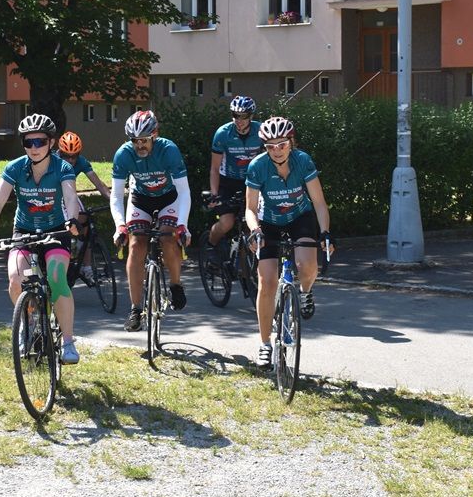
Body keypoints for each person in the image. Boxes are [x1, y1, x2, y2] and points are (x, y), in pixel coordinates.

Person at [0, 114, 82, 364]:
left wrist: (73, 220)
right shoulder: (15, 168)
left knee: (57, 278)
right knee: (15, 281)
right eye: (29, 142)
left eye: (40, 142)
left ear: (51, 142)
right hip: (23, 231)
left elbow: (70, 197)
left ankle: (68, 342)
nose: (34, 148)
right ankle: (28, 323)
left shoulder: (63, 168)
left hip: (56, 230)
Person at [244, 116, 334, 369]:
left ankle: (305, 293)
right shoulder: (257, 166)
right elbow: (250, 208)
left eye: (282, 144)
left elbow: (318, 202)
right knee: (267, 280)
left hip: (299, 216)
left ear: (291, 142)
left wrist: (325, 232)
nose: (277, 150)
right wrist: (255, 230)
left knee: (306, 263)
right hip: (269, 220)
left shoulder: (302, 161)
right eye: (270, 146)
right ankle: (264, 344)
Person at [110, 110, 192, 332]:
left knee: (168, 237)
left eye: (144, 140)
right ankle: (136, 309)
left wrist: (182, 225)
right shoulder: (123, 155)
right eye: (135, 141)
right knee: (136, 244)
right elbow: (117, 195)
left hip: (169, 198)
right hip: (140, 199)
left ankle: (175, 285)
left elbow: (184, 191)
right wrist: (120, 226)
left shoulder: (169, 150)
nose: (139, 146)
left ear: (154, 136)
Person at [206, 96, 263, 265]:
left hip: (252, 183)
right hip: (228, 182)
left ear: (251, 116)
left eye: (243, 116)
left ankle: (247, 268)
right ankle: (211, 245)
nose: (239, 120)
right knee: (227, 222)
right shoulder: (223, 133)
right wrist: (214, 194)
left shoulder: (260, 131)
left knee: (251, 226)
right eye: (235, 115)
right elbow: (214, 168)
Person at [56, 131, 111, 284]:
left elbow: (99, 184)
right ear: (60, 152)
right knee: (61, 226)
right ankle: (66, 250)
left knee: (85, 219)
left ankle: (85, 265)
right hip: (54, 196)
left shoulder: (81, 161)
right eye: (66, 155)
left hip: (71, 195)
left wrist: (114, 202)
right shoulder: (52, 160)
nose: (71, 159)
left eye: (74, 155)